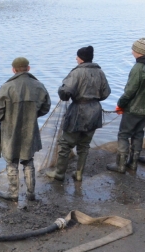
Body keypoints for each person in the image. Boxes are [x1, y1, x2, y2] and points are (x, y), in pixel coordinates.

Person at [46, 46, 111, 182]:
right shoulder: (100, 72)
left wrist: (61, 90)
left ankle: (59, 173)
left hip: (78, 111)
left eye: (77, 56)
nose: (76, 58)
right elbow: (106, 93)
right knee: (84, 145)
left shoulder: (76, 72)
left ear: (81, 59)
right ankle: (79, 173)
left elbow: (65, 93)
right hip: (95, 111)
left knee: (65, 144)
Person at [0, 57, 52, 202]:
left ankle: (13, 193)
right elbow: (46, 107)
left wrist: (4, 119)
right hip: (30, 129)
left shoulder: (7, 87)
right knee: (28, 160)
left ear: (13, 70)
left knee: (11, 161)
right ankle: (31, 193)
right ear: (28, 68)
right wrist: (33, 116)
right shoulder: (39, 85)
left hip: (10, 130)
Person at [108, 38, 145, 173]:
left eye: (133, 49)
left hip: (133, 108)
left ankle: (120, 165)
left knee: (123, 135)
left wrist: (120, 104)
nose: (132, 52)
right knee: (138, 134)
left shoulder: (138, 68)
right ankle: (133, 163)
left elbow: (130, 91)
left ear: (138, 51)